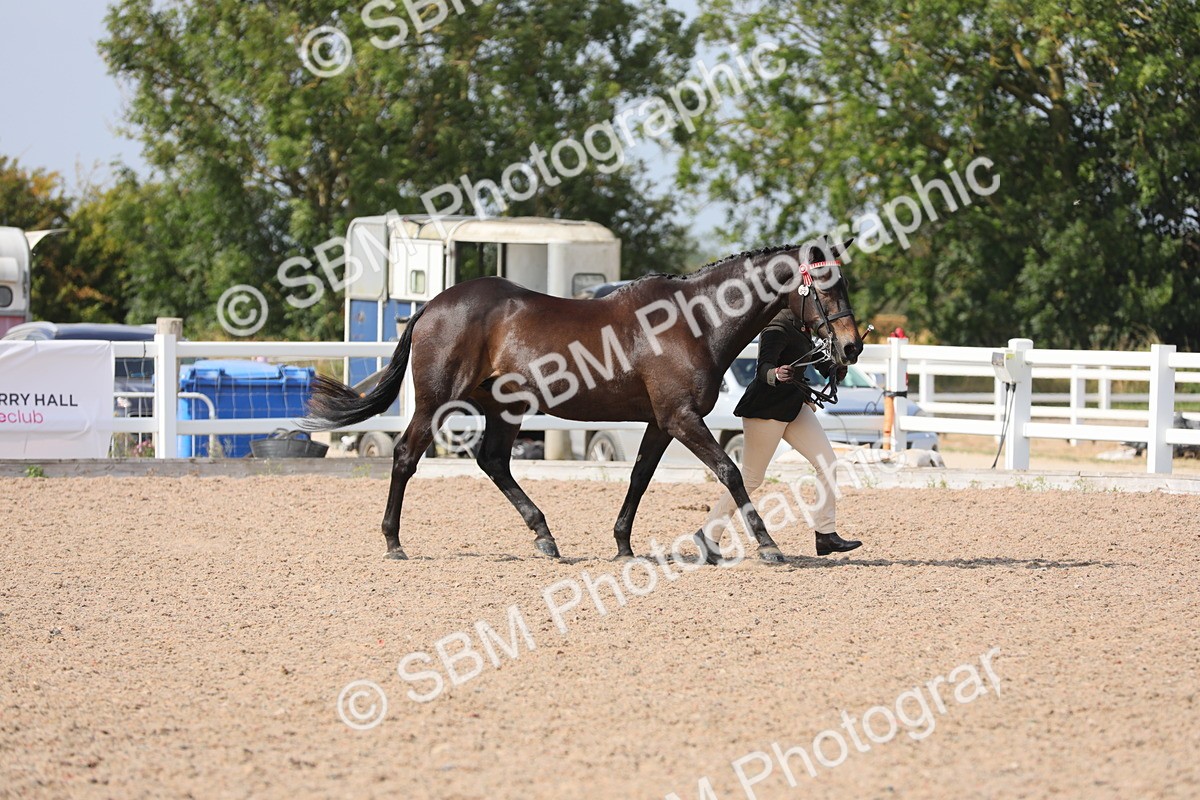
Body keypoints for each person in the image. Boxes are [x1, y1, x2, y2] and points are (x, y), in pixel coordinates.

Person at [694, 308, 862, 562]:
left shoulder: (804, 326)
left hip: (794, 406)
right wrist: (776, 374)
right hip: (766, 410)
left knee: (827, 462)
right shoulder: (777, 327)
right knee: (751, 479)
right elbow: (763, 368)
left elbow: (815, 361)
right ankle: (708, 534)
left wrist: (835, 369)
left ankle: (825, 534)